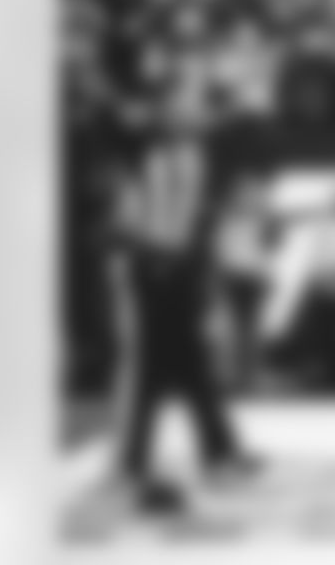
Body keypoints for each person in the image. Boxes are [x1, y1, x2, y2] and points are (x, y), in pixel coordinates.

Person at [105, 86, 260, 516]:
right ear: (161, 115)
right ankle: (157, 460)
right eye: (175, 109)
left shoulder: (205, 156)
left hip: (183, 269)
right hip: (151, 267)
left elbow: (242, 124)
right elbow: (116, 127)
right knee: (158, 367)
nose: (186, 116)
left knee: (186, 365)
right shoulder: (142, 151)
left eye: (191, 111)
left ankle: (209, 451)